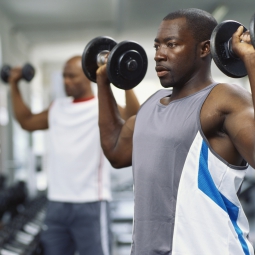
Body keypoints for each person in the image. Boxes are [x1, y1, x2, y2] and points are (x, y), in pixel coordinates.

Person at [95, 8, 255, 255]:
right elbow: (116, 151)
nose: (159, 55)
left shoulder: (225, 98)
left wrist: (250, 59)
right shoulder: (152, 103)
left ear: (204, 49)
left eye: (171, 44)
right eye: (157, 46)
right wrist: (104, 82)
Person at [8, 55, 140, 255]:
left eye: (72, 76)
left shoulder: (101, 106)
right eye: (64, 76)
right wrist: (14, 85)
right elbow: (26, 121)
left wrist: (124, 78)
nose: (66, 81)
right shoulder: (57, 108)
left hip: (91, 203)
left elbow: (134, 117)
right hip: (56, 204)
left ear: (88, 76)